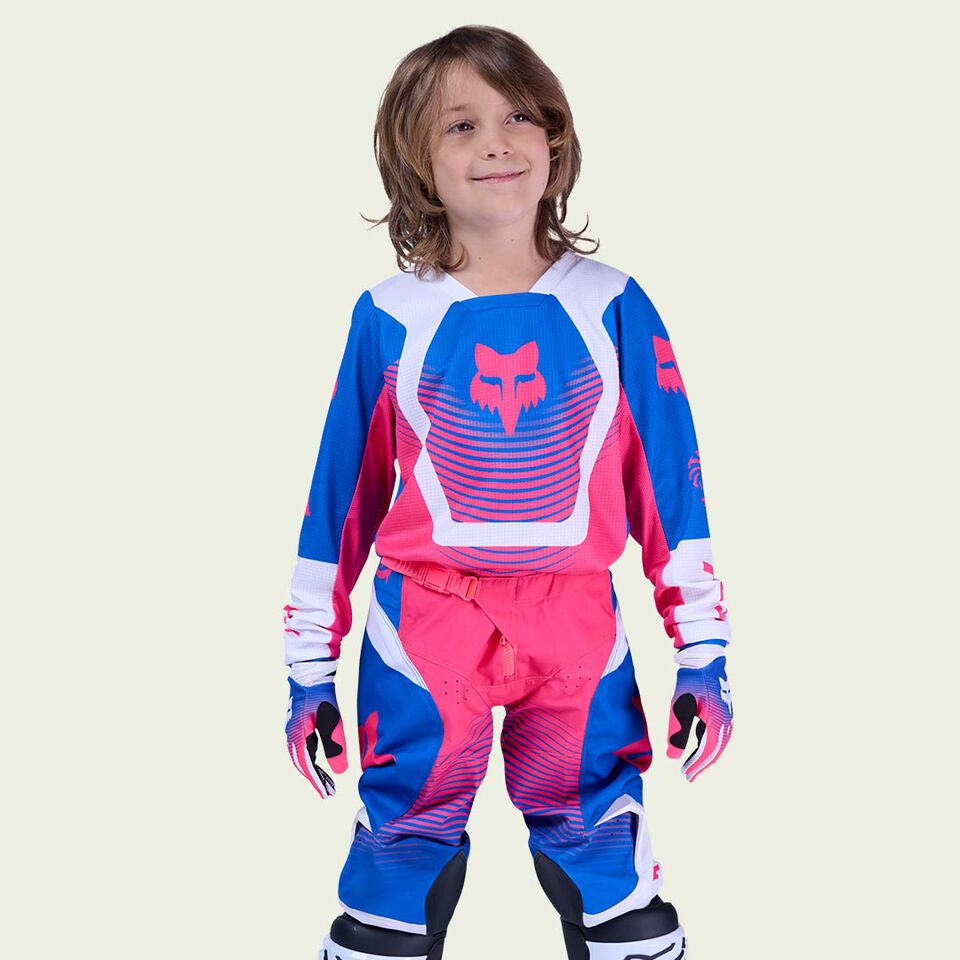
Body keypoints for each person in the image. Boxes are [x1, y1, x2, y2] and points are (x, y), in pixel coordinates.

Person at [282, 24, 733, 960]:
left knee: (605, 859)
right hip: (423, 627)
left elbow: (671, 485)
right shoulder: (390, 315)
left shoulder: (613, 303)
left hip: (576, 628)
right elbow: (339, 499)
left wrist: (703, 654)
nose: (496, 141)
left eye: (519, 115)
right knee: (399, 863)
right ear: (415, 160)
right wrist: (307, 669)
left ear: (555, 136)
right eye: (461, 124)